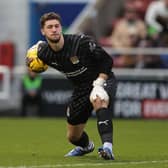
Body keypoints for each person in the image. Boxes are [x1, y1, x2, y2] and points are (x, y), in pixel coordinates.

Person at [26, 12, 117, 160]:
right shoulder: (43, 53)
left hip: (102, 78)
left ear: (61, 28)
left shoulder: (80, 43)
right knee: (73, 136)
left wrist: (99, 82)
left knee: (98, 97)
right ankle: (86, 146)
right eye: (49, 27)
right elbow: (31, 65)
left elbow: (107, 61)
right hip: (81, 87)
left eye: (57, 26)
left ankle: (107, 147)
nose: (54, 29)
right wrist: (31, 59)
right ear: (43, 31)